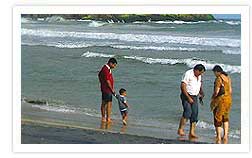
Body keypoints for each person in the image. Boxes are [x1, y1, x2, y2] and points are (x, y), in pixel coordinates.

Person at [177, 64, 205, 139]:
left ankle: (192, 132)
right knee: (187, 112)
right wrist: (188, 97)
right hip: (186, 95)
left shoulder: (199, 76)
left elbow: (199, 84)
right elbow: (183, 86)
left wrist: (201, 92)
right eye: (200, 72)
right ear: (196, 70)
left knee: (195, 114)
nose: (201, 74)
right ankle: (180, 129)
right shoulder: (188, 74)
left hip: (195, 96)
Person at [210, 65, 232, 144]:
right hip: (228, 99)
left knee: (217, 118)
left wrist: (212, 98)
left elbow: (216, 92)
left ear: (217, 72)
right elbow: (230, 91)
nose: (214, 74)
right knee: (225, 118)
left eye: (214, 73)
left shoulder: (219, 79)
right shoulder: (228, 78)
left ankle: (219, 137)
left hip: (220, 100)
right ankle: (225, 136)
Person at [98, 58, 117, 123]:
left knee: (108, 103)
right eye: (114, 65)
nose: (114, 67)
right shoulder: (106, 69)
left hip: (106, 89)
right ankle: (106, 118)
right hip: (107, 89)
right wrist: (112, 90)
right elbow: (107, 80)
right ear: (110, 63)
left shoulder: (107, 69)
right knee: (106, 104)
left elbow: (99, 75)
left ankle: (106, 117)